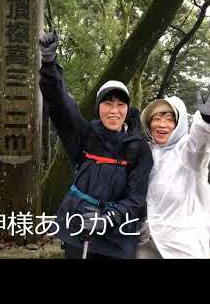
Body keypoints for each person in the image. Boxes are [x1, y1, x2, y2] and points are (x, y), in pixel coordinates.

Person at [38, 32, 153, 259]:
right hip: (78, 228)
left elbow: (136, 198)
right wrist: (49, 64)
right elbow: (61, 104)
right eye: (108, 103)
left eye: (120, 104)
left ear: (127, 109)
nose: (114, 110)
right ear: (98, 107)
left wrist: (108, 218)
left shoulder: (139, 149)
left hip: (117, 238)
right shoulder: (85, 134)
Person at [136, 82, 210, 259]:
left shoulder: (186, 151)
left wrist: (208, 121)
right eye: (156, 118)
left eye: (169, 119)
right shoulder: (144, 153)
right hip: (146, 243)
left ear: (179, 124)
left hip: (183, 244)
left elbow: (200, 147)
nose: (162, 124)